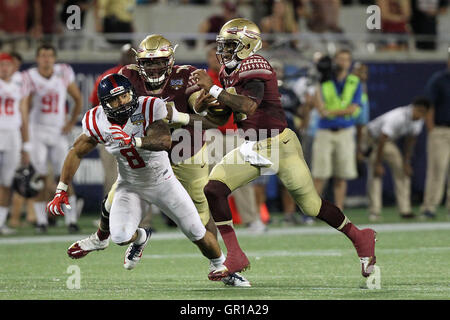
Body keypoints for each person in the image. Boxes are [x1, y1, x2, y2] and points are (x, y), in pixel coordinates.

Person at [185, 18, 377, 281]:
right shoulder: (229, 71)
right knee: (214, 189)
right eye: (223, 45)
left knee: (312, 206)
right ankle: (236, 255)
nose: (224, 51)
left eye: (230, 45)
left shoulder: (256, 63)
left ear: (247, 45)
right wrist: (205, 106)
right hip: (254, 145)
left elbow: (250, 106)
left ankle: (360, 236)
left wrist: (215, 89)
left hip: (279, 146)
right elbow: (224, 117)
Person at [68, 35, 250, 287]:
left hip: (185, 149)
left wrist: (195, 108)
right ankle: (103, 237)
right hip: (145, 154)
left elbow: (204, 113)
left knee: (200, 210)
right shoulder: (127, 76)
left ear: (171, 60)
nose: (153, 68)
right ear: (139, 62)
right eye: (148, 63)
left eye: (159, 62)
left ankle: (220, 266)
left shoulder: (187, 76)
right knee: (112, 198)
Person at [46, 73, 232, 277]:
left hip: (163, 182)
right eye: (114, 99)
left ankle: (222, 266)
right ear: (104, 104)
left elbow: (164, 140)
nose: (122, 102)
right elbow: (76, 152)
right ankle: (140, 237)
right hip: (130, 186)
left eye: (125, 96)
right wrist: (61, 188)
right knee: (119, 236)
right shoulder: (96, 120)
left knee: (196, 231)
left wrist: (134, 141)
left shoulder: (148, 106)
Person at [204, 44, 266, 233]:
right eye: (213, 56)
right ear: (208, 59)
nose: (217, 59)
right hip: (211, 132)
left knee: (242, 177)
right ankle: (209, 223)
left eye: (220, 55)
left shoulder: (236, 77)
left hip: (235, 133)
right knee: (208, 181)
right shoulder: (202, 79)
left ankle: (251, 219)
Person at [23, 43, 83, 233]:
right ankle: (41, 222)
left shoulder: (63, 72)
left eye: (49, 55)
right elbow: (24, 106)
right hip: (37, 130)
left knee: (64, 177)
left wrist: (71, 121)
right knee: (39, 178)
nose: (46, 59)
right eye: (43, 55)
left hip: (57, 130)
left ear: (54, 58)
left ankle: (71, 220)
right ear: (37, 58)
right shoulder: (29, 77)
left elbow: (78, 98)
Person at [311, 48, 362, 211]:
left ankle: (338, 211)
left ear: (350, 62)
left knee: (341, 175)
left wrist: (330, 112)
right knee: (320, 174)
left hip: (345, 132)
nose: (342, 63)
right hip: (325, 131)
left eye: (346, 59)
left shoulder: (354, 81)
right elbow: (318, 106)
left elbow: (353, 109)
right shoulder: (324, 79)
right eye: (339, 59)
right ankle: (313, 211)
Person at [365, 97, 430, 221]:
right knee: (375, 174)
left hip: (387, 141)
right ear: (413, 108)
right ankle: (375, 212)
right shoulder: (397, 116)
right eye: (419, 111)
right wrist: (378, 164)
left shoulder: (418, 120)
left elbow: (410, 141)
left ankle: (405, 210)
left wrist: (407, 162)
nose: (420, 114)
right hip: (372, 138)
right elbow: (382, 138)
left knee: (403, 171)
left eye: (423, 112)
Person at [0, 52, 30, 235]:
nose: (4, 68)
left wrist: (26, 145)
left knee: (7, 181)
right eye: (1, 64)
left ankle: (1, 223)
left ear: (13, 67)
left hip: (12, 135)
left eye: (7, 64)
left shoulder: (20, 84)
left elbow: (24, 115)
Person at [420, 51, 450, 218]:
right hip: (441, 131)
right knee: (437, 170)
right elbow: (428, 104)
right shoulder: (439, 79)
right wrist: (431, 129)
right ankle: (429, 207)